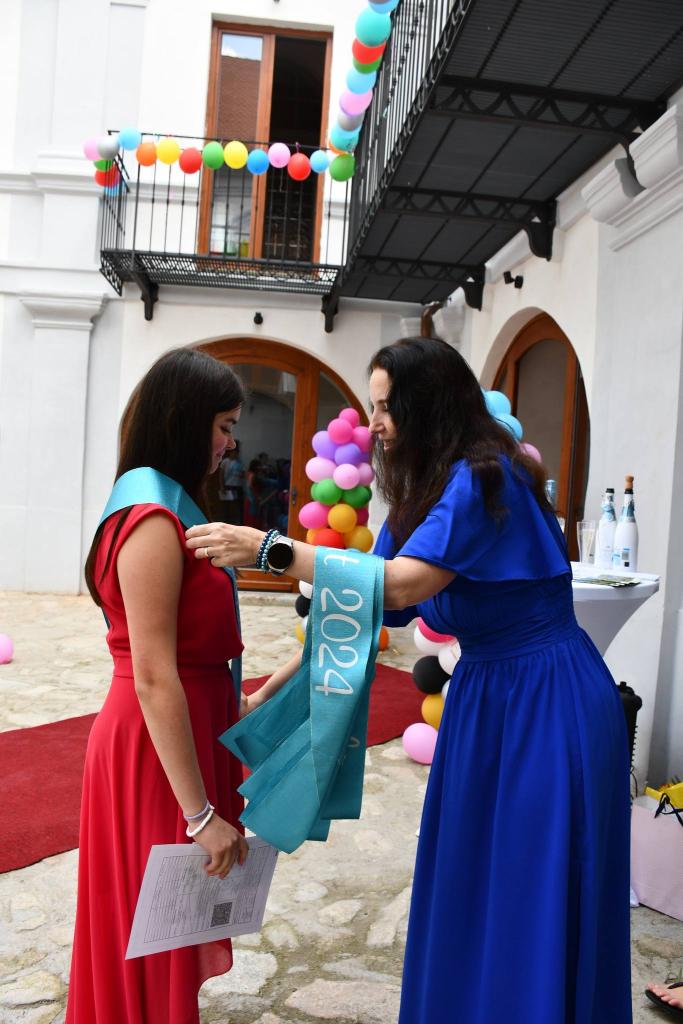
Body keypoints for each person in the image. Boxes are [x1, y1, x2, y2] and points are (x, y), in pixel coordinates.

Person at [186, 336, 633, 1024]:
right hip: (488, 698)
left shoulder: (485, 476)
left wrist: (270, 548)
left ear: (429, 404)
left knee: (528, 888)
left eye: (386, 407)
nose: (376, 425)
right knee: (473, 882)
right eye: (372, 408)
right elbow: (365, 607)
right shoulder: (425, 490)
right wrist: (269, 691)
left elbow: (401, 583)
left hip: (546, 700)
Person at [67, 348, 249, 1024]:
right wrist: (199, 815)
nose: (230, 443)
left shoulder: (166, 509)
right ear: (185, 421)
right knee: (151, 938)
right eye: (224, 426)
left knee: (167, 930)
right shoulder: (149, 518)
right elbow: (151, 674)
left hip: (183, 734)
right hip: (155, 752)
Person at [218, 440, 245, 524]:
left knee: (239, 505)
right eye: (235, 453)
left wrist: (241, 475)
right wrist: (222, 486)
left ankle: (239, 522)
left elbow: (243, 475)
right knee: (227, 506)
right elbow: (221, 475)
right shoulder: (225, 462)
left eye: (237, 453)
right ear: (231, 453)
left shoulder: (240, 462)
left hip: (238, 486)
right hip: (228, 486)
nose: (236, 454)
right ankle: (226, 521)